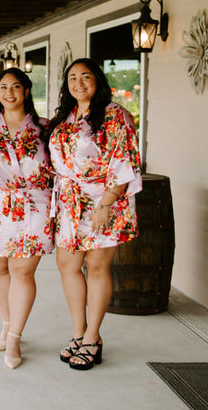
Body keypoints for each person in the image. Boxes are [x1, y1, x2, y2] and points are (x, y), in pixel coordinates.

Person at [48, 58, 142, 371]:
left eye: (85, 76)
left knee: (97, 267)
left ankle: (92, 337)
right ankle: (77, 331)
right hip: (70, 201)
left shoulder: (116, 115)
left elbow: (124, 161)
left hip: (104, 200)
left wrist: (106, 203)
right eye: (72, 78)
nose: (78, 83)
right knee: (67, 265)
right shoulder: (67, 115)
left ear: (97, 80)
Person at [0, 67, 54, 369]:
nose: (9, 93)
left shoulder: (45, 128)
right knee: (1, 268)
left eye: (16, 86)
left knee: (23, 272)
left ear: (27, 91)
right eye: (3, 87)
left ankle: (15, 336)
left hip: (34, 206)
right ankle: (6, 323)